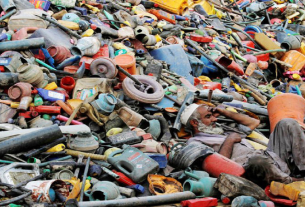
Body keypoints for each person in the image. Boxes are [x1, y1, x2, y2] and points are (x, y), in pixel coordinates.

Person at [181, 103, 305, 187]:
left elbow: (253, 122)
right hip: (251, 170)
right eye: (208, 117)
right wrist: (229, 140)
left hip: (271, 157)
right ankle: (294, 182)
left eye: (213, 115)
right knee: (257, 161)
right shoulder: (196, 143)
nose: (215, 119)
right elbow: (218, 167)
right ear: (194, 123)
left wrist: (224, 112)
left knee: (287, 123)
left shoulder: (221, 130)